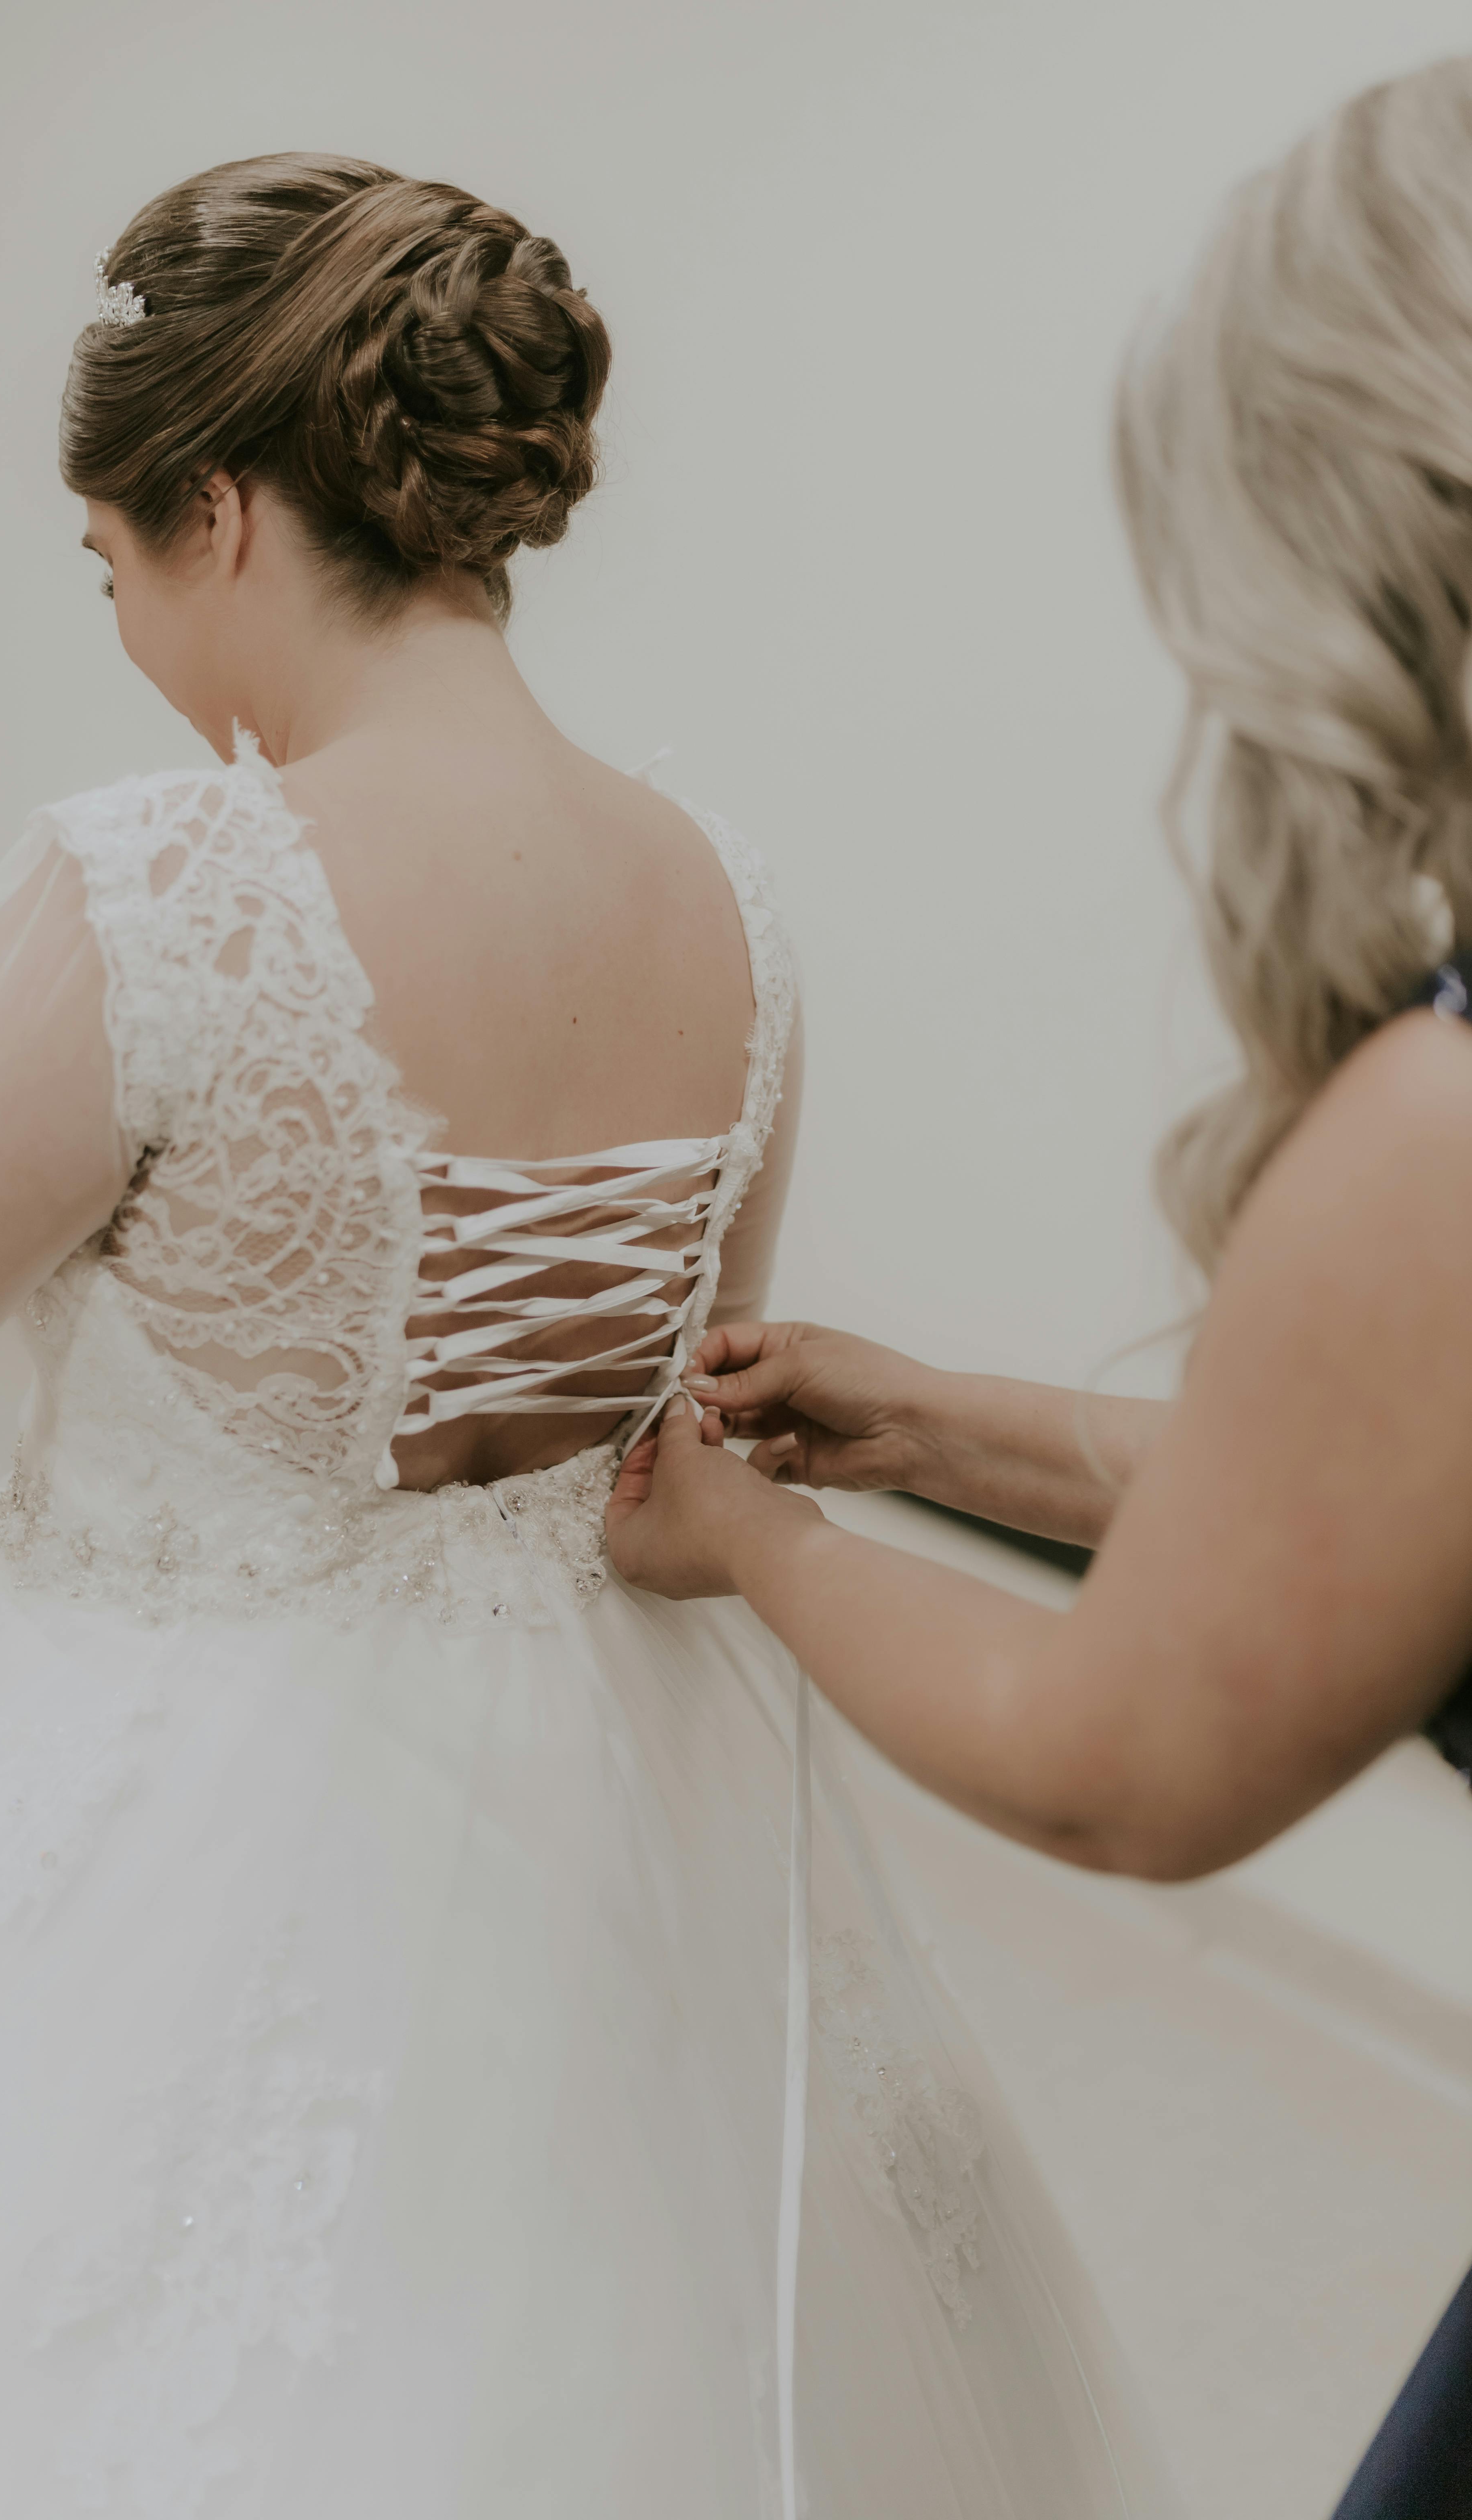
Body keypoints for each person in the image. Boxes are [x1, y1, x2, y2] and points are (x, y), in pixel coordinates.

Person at [0, 155, 1178, 2518]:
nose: (119, 614)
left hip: (164, 1767)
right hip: (612, 1799)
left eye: (108, 555)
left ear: (219, 509)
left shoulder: (156, 888)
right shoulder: (725, 903)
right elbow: (684, 1407)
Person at [606, 58, 1472, 2520]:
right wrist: (956, 1426)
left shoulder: (1447, 1123)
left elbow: (1125, 1765)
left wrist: (763, 1543)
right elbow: (1386, 1504)